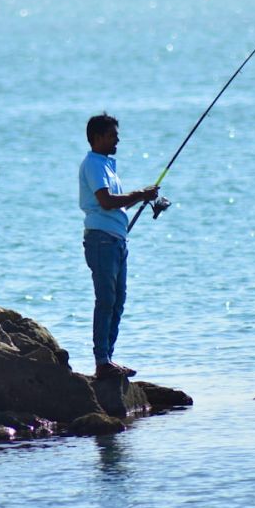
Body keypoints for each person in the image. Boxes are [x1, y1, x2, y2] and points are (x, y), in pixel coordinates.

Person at [79, 113, 159, 379]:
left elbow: (118, 202)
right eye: (113, 134)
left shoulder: (107, 165)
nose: (118, 139)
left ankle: (108, 359)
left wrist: (142, 196)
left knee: (117, 301)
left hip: (116, 239)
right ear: (98, 137)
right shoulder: (93, 165)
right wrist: (139, 195)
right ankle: (102, 362)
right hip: (101, 240)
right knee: (106, 300)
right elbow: (106, 201)